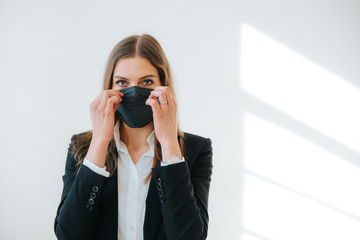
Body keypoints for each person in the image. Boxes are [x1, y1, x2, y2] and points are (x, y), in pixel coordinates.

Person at [54, 34, 213, 240]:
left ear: (163, 85)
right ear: (110, 87)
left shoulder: (196, 149)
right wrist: (100, 142)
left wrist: (168, 143)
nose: (134, 91)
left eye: (146, 81)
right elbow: (68, 235)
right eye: (122, 82)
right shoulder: (81, 146)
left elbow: (189, 237)